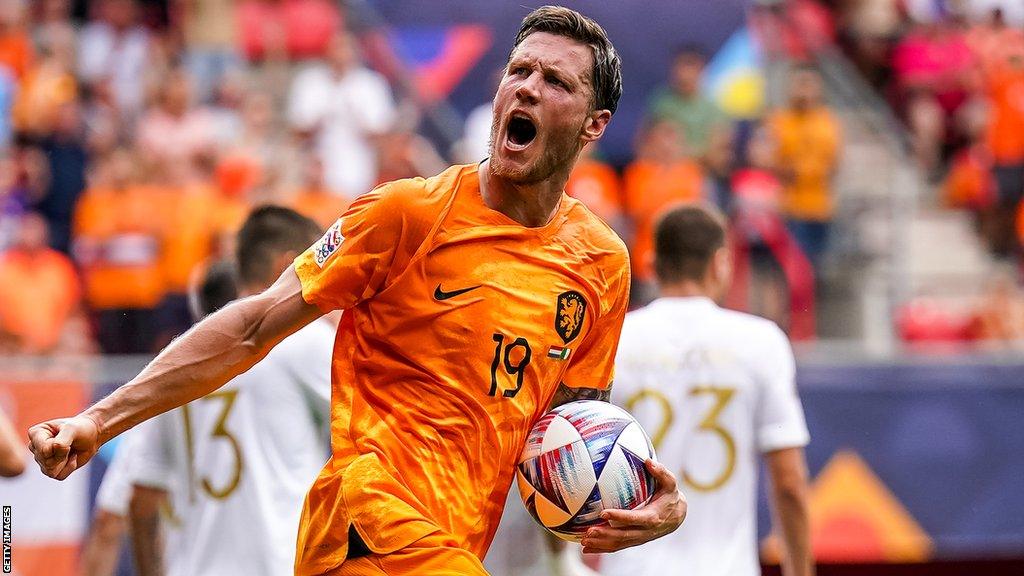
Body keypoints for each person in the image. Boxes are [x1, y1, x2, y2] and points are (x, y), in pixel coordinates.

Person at [29, 7, 686, 576]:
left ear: (595, 125)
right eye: (519, 71)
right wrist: (97, 419)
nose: (527, 90)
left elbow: (570, 441)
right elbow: (255, 324)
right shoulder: (408, 214)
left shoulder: (601, 264)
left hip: (454, 542)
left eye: (555, 81)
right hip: (362, 522)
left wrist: (637, 507)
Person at [602, 204, 812, 576]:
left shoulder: (614, 340)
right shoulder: (760, 343)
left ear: (652, 264)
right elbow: (790, 482)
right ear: (720, 263)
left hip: (632, 568)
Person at [129, 206, 335, 576]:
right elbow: (386, 422)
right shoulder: (302, 339)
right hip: (276, 565)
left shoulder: (181, 355)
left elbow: (142, 501)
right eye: (323, 266)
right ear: (286, 266)